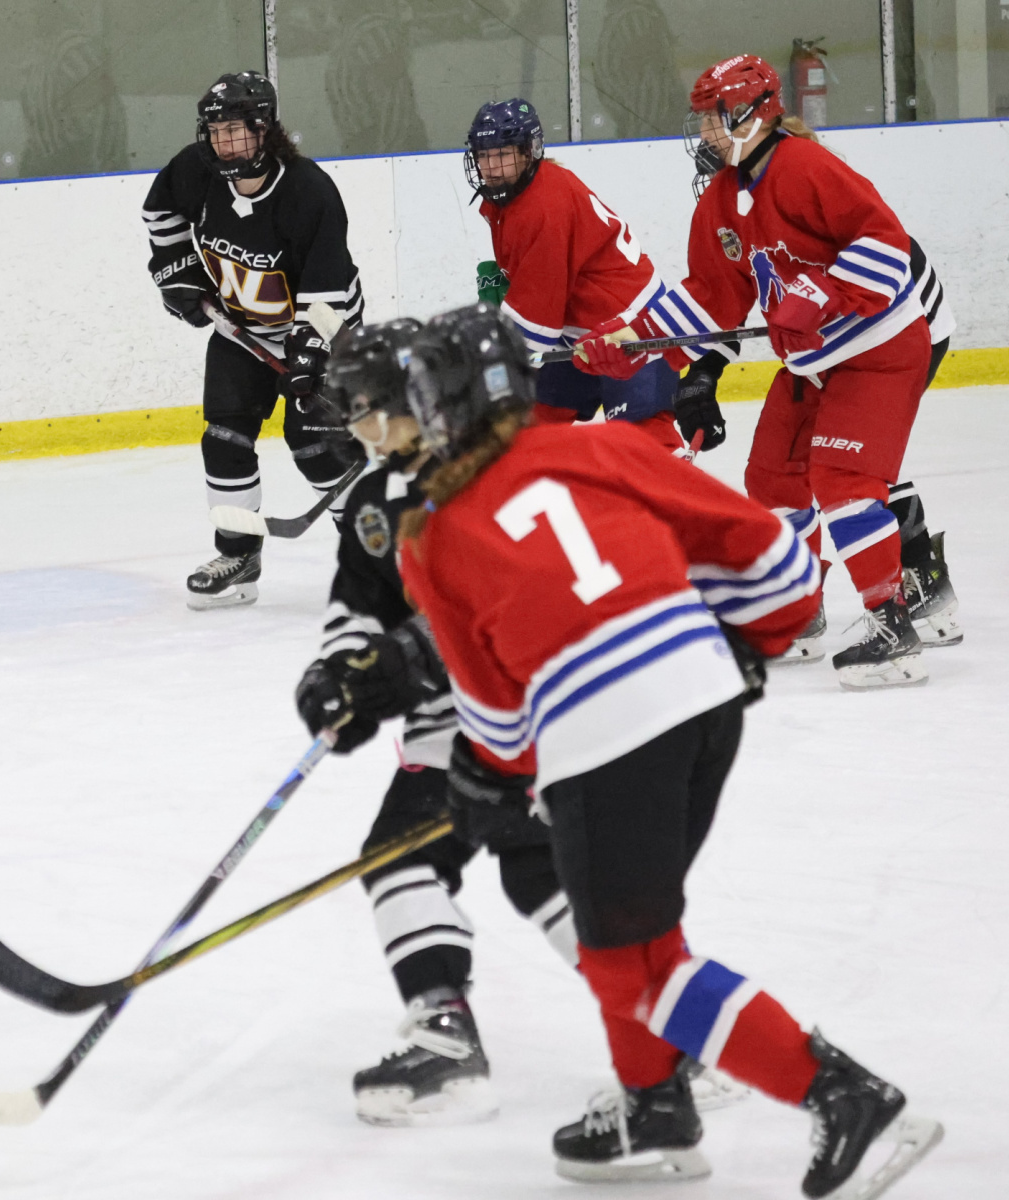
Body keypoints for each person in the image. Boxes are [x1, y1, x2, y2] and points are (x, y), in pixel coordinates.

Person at [392, 304, 940, 1197]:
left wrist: (489, 782)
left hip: (604, 735)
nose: (396, 430)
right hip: (703, 701)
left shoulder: (434, 532)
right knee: (643, 932)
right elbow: (773, 557)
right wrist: (750, 640)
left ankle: (848, 1100)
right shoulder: (599, 446)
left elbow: (494, 708)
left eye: (408, 406)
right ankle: (653, 1111)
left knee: (627, 960)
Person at [574, 55, 951, 689]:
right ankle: (800, 611)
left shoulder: (805, 166)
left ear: (753, 111)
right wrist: (633, 342)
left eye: (715, 120)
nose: (706, 133)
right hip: (811, 364)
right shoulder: (722, 200)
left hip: (878, 350)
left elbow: (885, 244)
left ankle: (893, 625)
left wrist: (825, 295)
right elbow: (707, 300)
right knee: (771, 479)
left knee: (842, 479)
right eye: (702, 121)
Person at [293, 318, 577, 1126]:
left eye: (365, 404)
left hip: (529, 718)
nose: (353, 420)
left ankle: (454, 1037)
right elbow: (359, 604)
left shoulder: (488, 478)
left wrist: (407, 660)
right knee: (532, 873)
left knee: (485, 867)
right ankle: (673, 1032)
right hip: (445, 730)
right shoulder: (378, 499)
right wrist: (339, 675)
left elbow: (511, 604)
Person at [669, 126, 963, 663]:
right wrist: (703, 373)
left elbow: (883, 295)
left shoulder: (814, 202)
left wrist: (828, 319)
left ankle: (924, 580)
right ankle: (803, 603)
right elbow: (739, 298)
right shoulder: (751, 215)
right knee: (786, 468)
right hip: (821, 351)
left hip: (905, 331)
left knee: (853, 464)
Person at [142, 70, 364, 610]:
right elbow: (159, 213)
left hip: (322, 328)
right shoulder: (196, 172)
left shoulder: (308, 190)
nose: (226, 142)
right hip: (240, 332)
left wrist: (311, 351)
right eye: (216, 131)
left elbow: (328, 282)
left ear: (265, 130)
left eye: (237, 130)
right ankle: (238, 555)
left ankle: (376, 558)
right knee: (224, 439)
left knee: (317, 447)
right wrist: (181, 275)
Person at [464, 98, 684, 453]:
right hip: (575, 332)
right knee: (525, 433)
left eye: (501, 154)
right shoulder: (509, 198)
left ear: (528, 151)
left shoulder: (544, 206)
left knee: (645, 447)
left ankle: (677, 504)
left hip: (631, 324)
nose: (490, 166)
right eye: (483, 155)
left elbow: (536, 328)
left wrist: (485, 365)